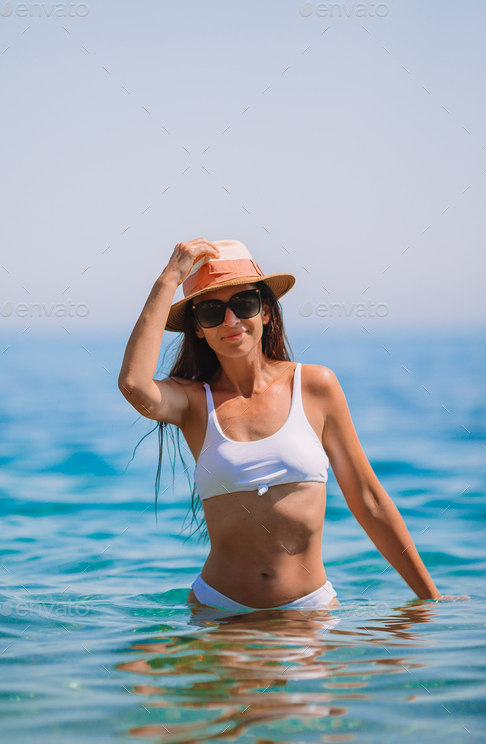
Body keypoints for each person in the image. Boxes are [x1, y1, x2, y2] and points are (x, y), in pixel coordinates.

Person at [119, 238, 464, 613]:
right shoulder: (191, 402)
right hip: (219, 610)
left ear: (265, 311)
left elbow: (369, 502)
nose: (231, 320)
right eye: (211, 312)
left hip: (310, 608)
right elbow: (134, 384)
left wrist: (430, 598)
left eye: (244, 303)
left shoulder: (316, 387)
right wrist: (169, 278)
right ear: (198, 328)